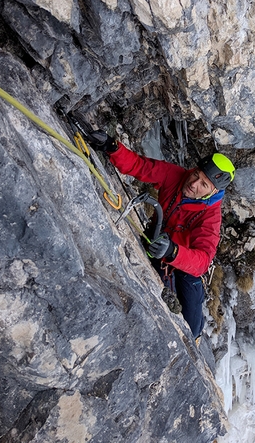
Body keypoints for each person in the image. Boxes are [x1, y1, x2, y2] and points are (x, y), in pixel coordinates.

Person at [88, 128, 235, 340]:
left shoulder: (210, 217)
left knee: (192, 328)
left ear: (213, 192)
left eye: (203, 184)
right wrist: (112, 147)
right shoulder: (175, 175)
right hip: (155, 240)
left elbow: (202, 261)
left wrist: (174, 252)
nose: (193, 184)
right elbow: (140, 167)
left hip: (184, 263)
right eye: (196, 174)